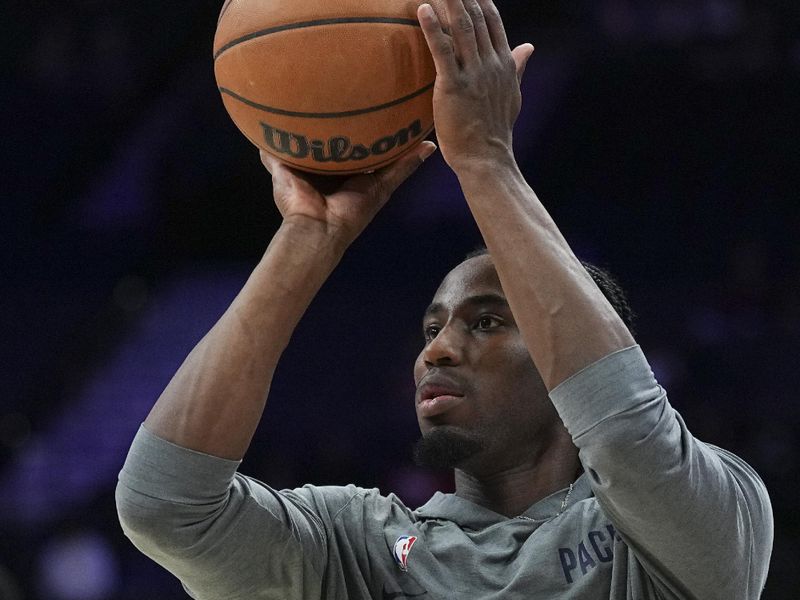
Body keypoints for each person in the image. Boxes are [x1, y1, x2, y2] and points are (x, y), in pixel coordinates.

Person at [115, 0, 773, 598]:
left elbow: (630, 432)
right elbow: (164, 507)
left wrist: (486, 160)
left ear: (561, 358)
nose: (437, 348)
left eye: (487, 321)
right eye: (433, 325)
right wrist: (307, 239)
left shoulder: (693, 524)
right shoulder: (353, 544)